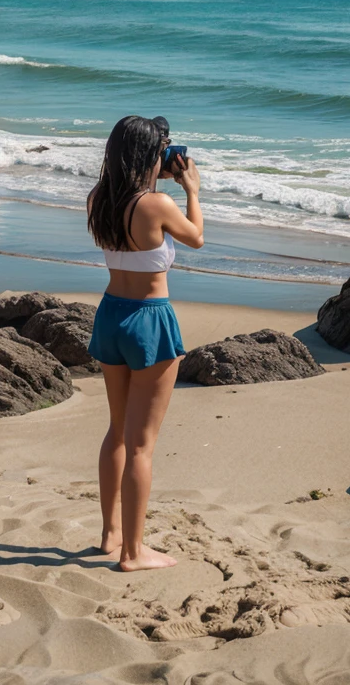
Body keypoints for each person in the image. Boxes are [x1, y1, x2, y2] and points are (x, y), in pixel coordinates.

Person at [86, 115, 204, 572]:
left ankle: (110, 535)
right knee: (142, 445)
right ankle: (133, 554)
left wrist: (160, 174)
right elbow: (195, 237)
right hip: (149, 320)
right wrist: (190, 188)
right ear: (149, 155)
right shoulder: (155, 204)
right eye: (162, 150)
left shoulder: (99, 199)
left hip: (111, 313)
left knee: (117, 432)